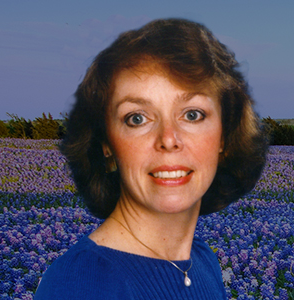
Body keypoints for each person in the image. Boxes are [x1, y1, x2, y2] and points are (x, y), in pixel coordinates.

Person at [35, 18, 268, 299]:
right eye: (137, 118)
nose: (168, 139)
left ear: (224, 137)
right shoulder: (83, 282)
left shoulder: (202, 261)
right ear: (106, 143)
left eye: (192, 114)